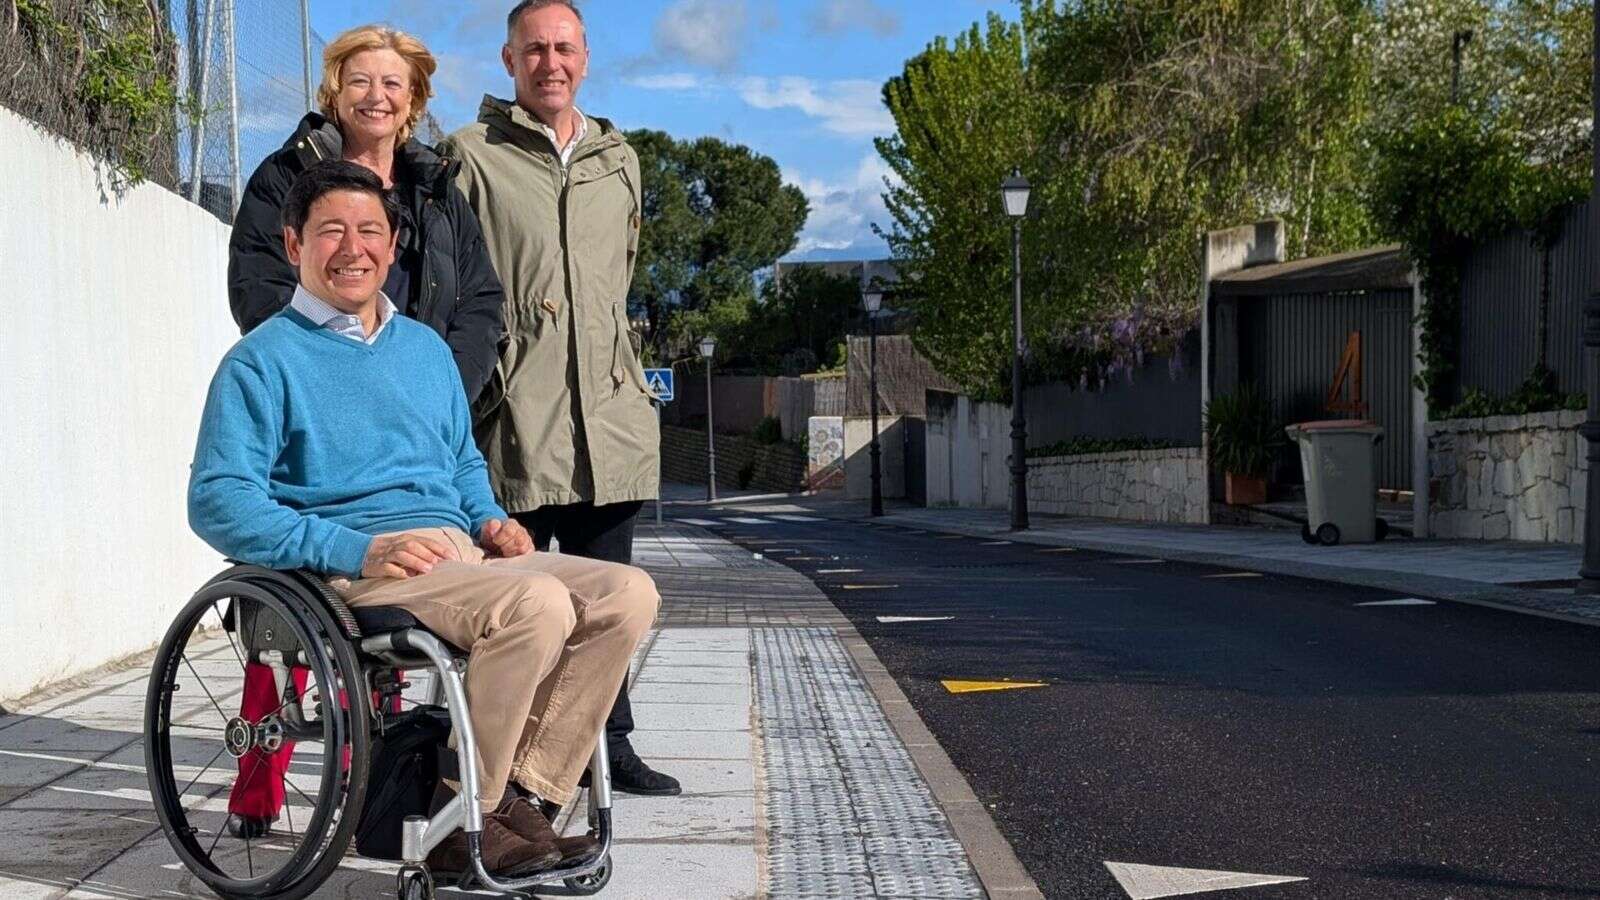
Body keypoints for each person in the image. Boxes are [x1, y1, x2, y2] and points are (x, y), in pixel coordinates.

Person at [189, 161, 658, 877]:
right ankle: (458, 808)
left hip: (462, 557)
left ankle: (518, 798)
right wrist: (356, 548)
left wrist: (491, 518)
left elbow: (462, 464)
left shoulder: (425, 350)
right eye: (331, 231)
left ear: (393, 242)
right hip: (356, 571)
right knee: (535, 605)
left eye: (370, 230)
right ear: (293, 246)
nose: (353, 248)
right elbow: (218, 501)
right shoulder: (261, 363)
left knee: (627, 594)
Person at [223, 24, 506, 834]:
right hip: (322, 409)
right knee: (286, 622)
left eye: (393, 83)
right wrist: (345, 366)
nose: (375, 96)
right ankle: (257, 787)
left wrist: (432, 380)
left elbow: (480, 299)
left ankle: (411, 792)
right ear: (333, 89)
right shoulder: (288, 178)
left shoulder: (438, 187)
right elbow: (259, 287)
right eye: (359, 80)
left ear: (413, 99)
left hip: (419, 421)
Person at [439, 0, 678, 796]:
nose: (551, 62)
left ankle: (610, 748)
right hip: (513, 417)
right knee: (512, 600)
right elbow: (456, 280)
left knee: (612, 601)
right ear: (508, 60)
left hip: (607, 419)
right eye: (534, 49)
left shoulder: (621, 159)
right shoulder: (470, 155)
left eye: (564, 48)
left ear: (586, 57)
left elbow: (620, 277)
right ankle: (483, 757)